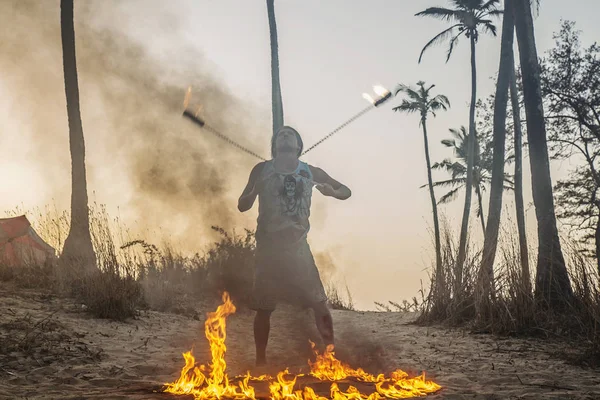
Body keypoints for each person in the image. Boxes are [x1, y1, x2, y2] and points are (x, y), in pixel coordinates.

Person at [238, 125, 351, 366]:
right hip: (268, 248)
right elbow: (242, 205)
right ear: (275, 146)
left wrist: (333, 192)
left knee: (318, 302)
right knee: (264, 307)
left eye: (290, 134)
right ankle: (260, 361)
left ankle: (331, 355)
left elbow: (346, 191)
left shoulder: (309, 172)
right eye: (281, 134)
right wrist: (254, 190)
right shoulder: (261, 170)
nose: (285, 135)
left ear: (298, 146)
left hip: (298, 247)